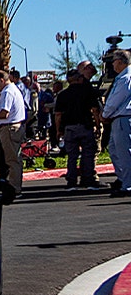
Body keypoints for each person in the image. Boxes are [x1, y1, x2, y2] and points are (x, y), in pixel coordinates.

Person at [53, 69, 102, 190]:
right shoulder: (87, 92)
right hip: (86, 126)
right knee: (88, 154)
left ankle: (72, 181)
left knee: (72, 155)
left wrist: (58, 130)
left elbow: (58, 114)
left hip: (69, 128)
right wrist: (98, 124)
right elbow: (95, 110)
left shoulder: (63, 95)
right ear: (79, 79)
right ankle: (88, 179)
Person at [0, 69, 27, 198]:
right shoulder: (13, 90)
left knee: (12, 160)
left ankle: (14, 189)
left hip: (9, 128)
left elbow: (4, 113)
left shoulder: (7, 92)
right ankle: (14, 186)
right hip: (14, 127)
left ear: (2, 80)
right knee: (14, 159)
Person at [102, 49, 131, 197]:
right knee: (114, 150)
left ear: (120, 62)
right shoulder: (123, 77)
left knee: (123, 153)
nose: (112, 64)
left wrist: (105, 114)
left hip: (123, 118)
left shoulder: (125, 78)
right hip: (119, 118)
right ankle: (124, 180)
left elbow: (114, 101)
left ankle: (128, 185)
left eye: (113, 61)